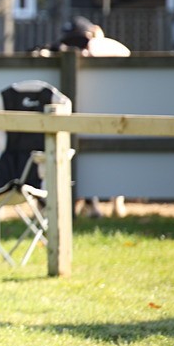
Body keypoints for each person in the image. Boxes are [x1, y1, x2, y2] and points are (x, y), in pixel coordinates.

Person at [58, 17, 131, 217]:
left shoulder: (103, 46)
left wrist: (94, 42)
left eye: (80, 43)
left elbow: (115, 55)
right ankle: (96, 203)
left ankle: (112, 201)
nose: (80, 49)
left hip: (114, 107)